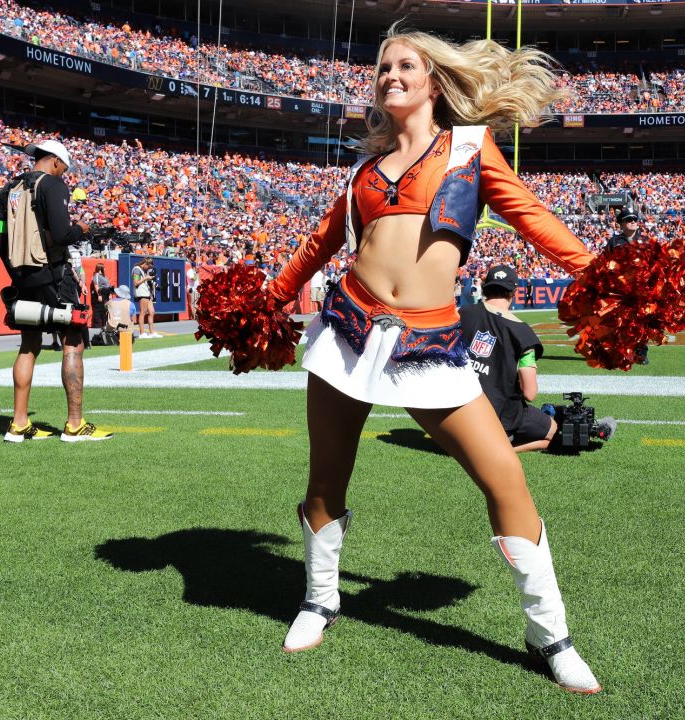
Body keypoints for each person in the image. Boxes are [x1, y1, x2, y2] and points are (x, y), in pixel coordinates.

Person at [253, 25, 602, 693]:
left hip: (428, 343)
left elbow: (531, 216)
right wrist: (264, 302)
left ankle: (549, 634)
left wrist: (597, 271)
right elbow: (317, 247)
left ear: (433, 81)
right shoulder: (362, 170)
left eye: (405, 65)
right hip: (347, 332)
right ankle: (319, 599)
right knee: (327, 481)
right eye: (383, 67)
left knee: (506, 480)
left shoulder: (471, 148)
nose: (390, 75)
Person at [0, 138, 112, 443]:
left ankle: (18, 423)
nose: (64, 173)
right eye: (64, 168)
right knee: (73, 342)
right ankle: (75, 424)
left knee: (28, 345)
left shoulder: (8, 189)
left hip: (21, 276)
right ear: (56, 162)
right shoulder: (53, 185)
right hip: (51, 274)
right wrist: (82, 230)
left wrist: (16, 273)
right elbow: (62, 235)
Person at [460, 265, 555, 453]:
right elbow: (530, 393)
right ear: (514, 292)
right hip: (498, 418)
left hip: (458, 416)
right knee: (553, 432)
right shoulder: (522, 331)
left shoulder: (462, 313)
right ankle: (503, 450)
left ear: (485, 286)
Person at [605, 207, 650, 364]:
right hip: (621, 290)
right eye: (629, 220)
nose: (633, 222)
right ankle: (623, 351)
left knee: (643, 322)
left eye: (635, 220)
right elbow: (605, 264)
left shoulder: (646, 241)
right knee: (622, 322)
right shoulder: (614, 242)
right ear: (621, 224)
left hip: (642, 289)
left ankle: (641, 352)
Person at [133, 258, 157, 338]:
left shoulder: (142, 270)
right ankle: (142, 333)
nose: (148, 269)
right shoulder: (136, 269)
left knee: (151, 312)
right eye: (149, 267)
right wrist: (146, 278)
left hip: (146, 293)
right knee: (143, 312)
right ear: (146, 264)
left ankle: (152, 332)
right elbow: (135, 283)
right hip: (141, 293)